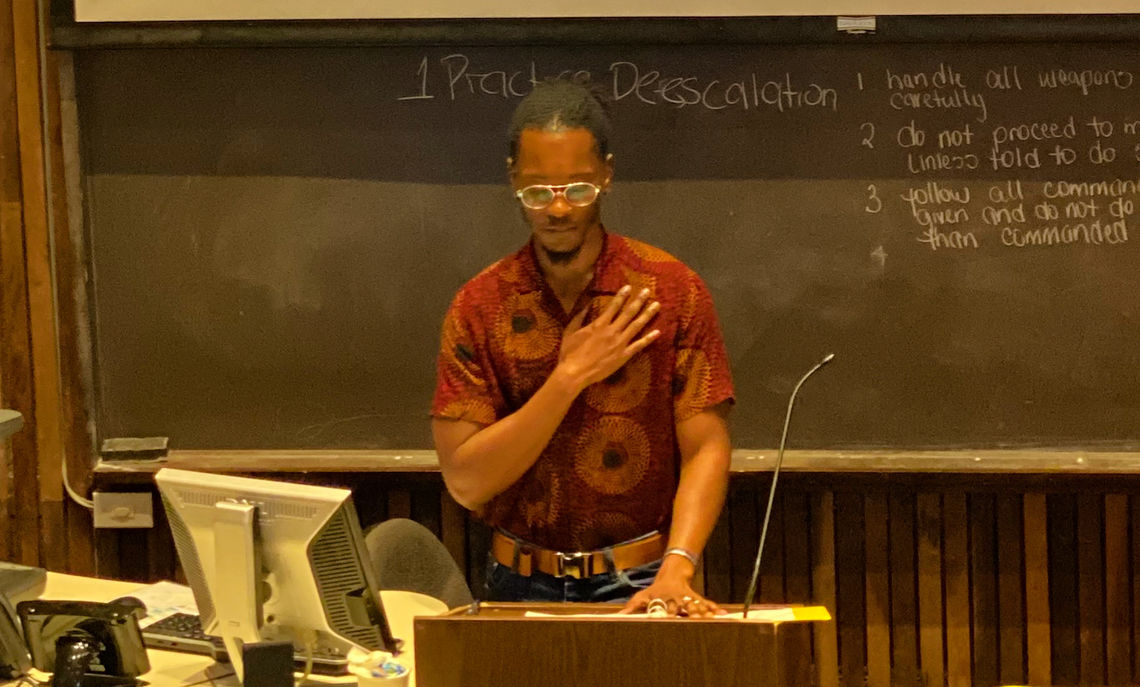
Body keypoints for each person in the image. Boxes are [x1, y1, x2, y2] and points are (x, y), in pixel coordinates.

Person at [431, 79, 734, 618]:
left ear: (607, 175)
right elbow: (466, 481)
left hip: (641, 577)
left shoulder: (669, 291)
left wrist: (679, 564)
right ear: (512, 182)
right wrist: (568, 377)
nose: (558, 209)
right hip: (514, 581)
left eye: (577, 189)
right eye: (537, 192)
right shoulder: (479, 305)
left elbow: (706, 446)